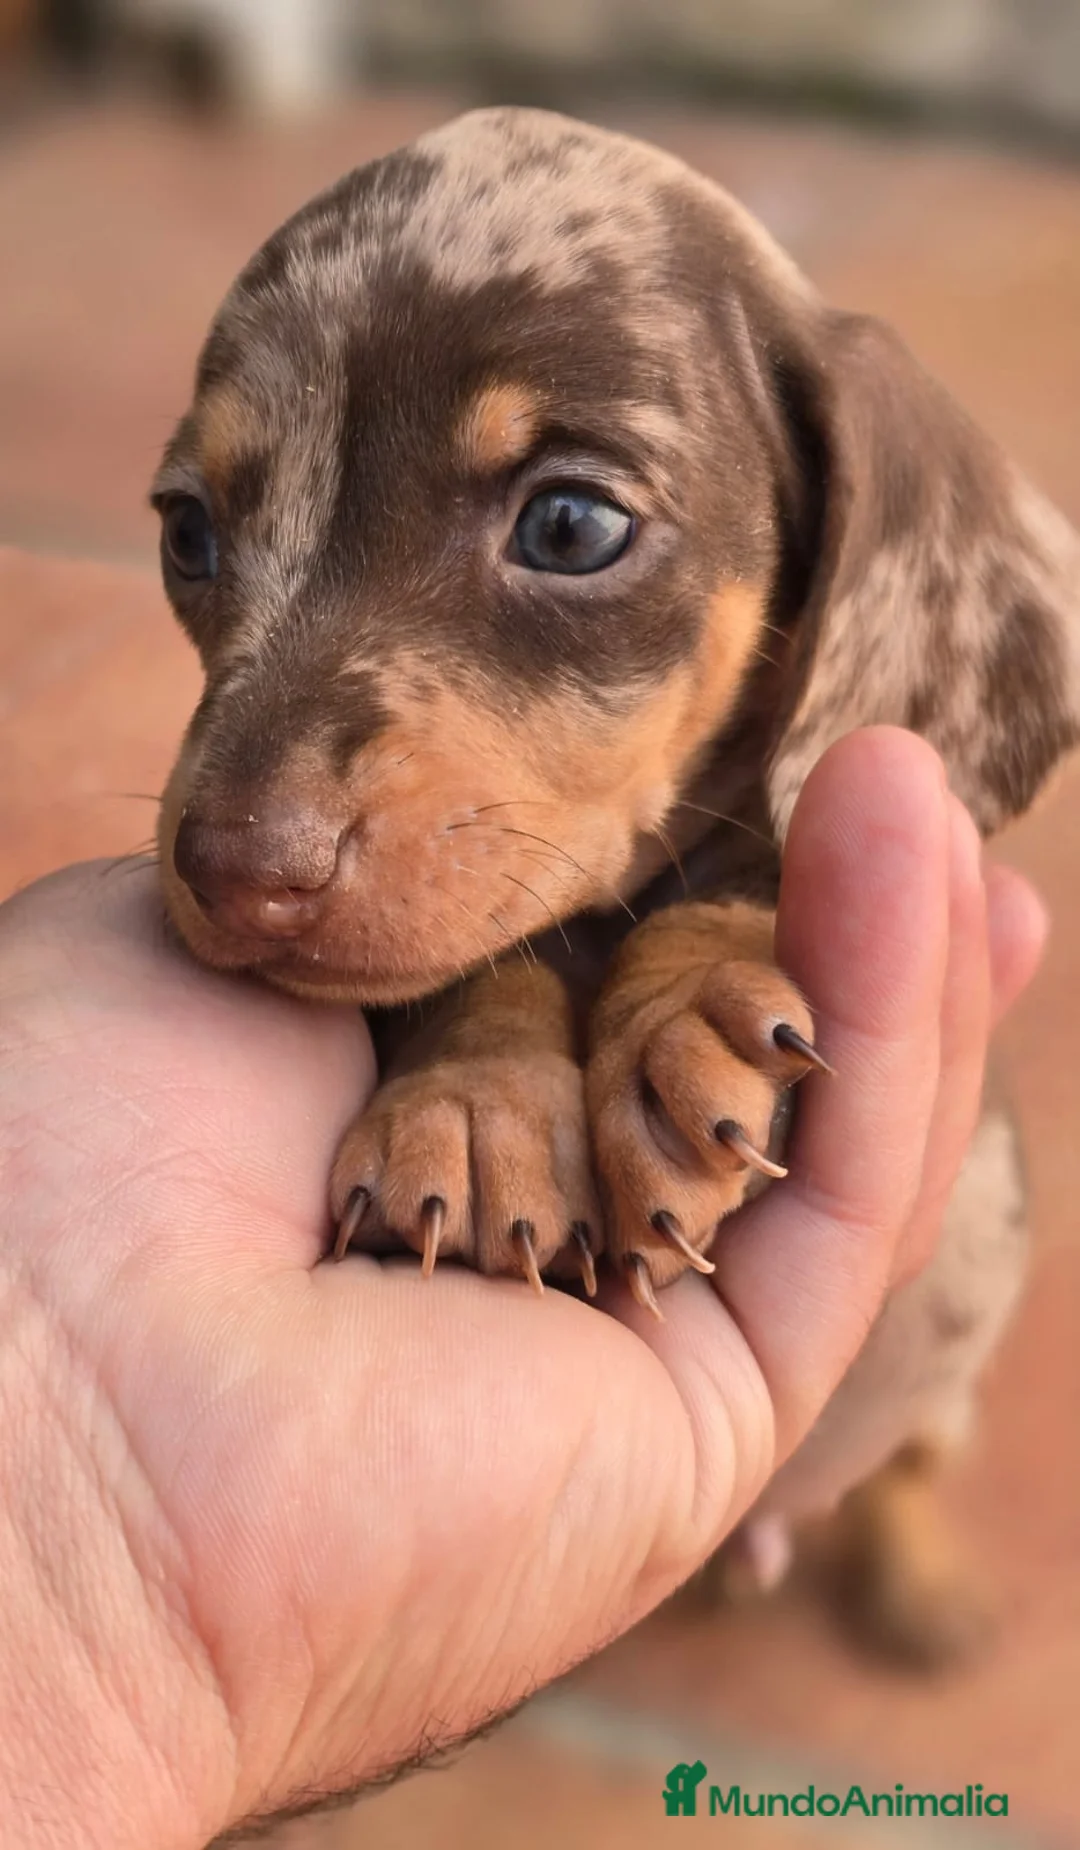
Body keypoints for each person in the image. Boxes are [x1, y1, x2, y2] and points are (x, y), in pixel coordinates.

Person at [0, 728, 1046, 1848]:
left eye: (570, 535)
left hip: (810, 1362)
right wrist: (101, 1572)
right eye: (197, 544)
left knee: (909, 1313)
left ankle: (891, 1504)